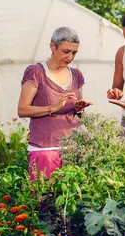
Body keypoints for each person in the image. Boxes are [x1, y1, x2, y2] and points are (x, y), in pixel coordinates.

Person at [17, 27, 92, 179]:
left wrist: (79, 109)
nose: (70, 57)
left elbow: (79, 115)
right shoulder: (36, 72)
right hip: (45, 149)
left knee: (72, 199)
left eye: (74, 53)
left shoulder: (76, 75)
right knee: (44, 198)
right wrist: (54, 108)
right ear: (53, 47)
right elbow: (22, 110)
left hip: (73, 148)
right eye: (66, 51)